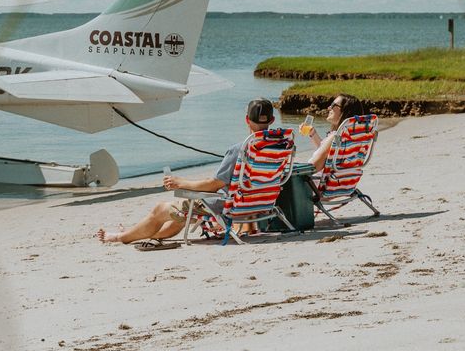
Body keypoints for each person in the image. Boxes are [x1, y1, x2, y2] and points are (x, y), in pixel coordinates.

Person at [97, 97, 277, 245]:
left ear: (247, 119)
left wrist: (180, 183)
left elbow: (213, 185)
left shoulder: (240, 150)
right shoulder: (279, 147)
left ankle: (120, 238)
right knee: (179, 216)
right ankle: (133, 233)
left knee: (161, 209)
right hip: (261, 202)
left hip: (230, 204)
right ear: (272, 120)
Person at [306, 93, 368, 172]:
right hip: (345, 178)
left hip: (320, 178)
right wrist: (313, 133)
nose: (329, 108)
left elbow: (314, 168)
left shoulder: (336, 137)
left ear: (345, 111)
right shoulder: (352, 138)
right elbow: (329, 151)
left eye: (333, 105)